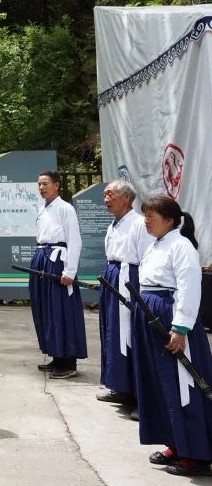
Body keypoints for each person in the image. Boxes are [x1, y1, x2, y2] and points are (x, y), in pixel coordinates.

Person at [134, 197, 212, 477]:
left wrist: (180, 328)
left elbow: (190, 289)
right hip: (150, 314)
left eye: (151, 215)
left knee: (184, 385)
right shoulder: (157, 244)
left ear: (169, 219)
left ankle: (197, 454)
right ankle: (175, 442)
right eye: (145, 215)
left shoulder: (181, 246)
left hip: (171, 319)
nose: (145, 220)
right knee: (160, 381)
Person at [97, 180, 151, 410]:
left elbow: (147, 258)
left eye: (111, 195)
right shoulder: (114, 224)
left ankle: (141, 396)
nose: (106, 199)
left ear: (127, 199)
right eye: (105, 195)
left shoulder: (139, 224)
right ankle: (121, 387)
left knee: (131, 334)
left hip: (130, 280)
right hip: (113, 277)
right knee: (112, 332)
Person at [29, 171, 87, 379]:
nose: (41, 188)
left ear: (57, 185)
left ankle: (68, 361)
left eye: (45, 183)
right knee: (46, 309)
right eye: (39, 184)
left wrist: (70, 270)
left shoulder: (65, 208)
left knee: (61, 309)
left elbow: (74, 240)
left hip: (58, 261)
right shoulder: (42, 208)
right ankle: (56, 355)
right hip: (43, 256)